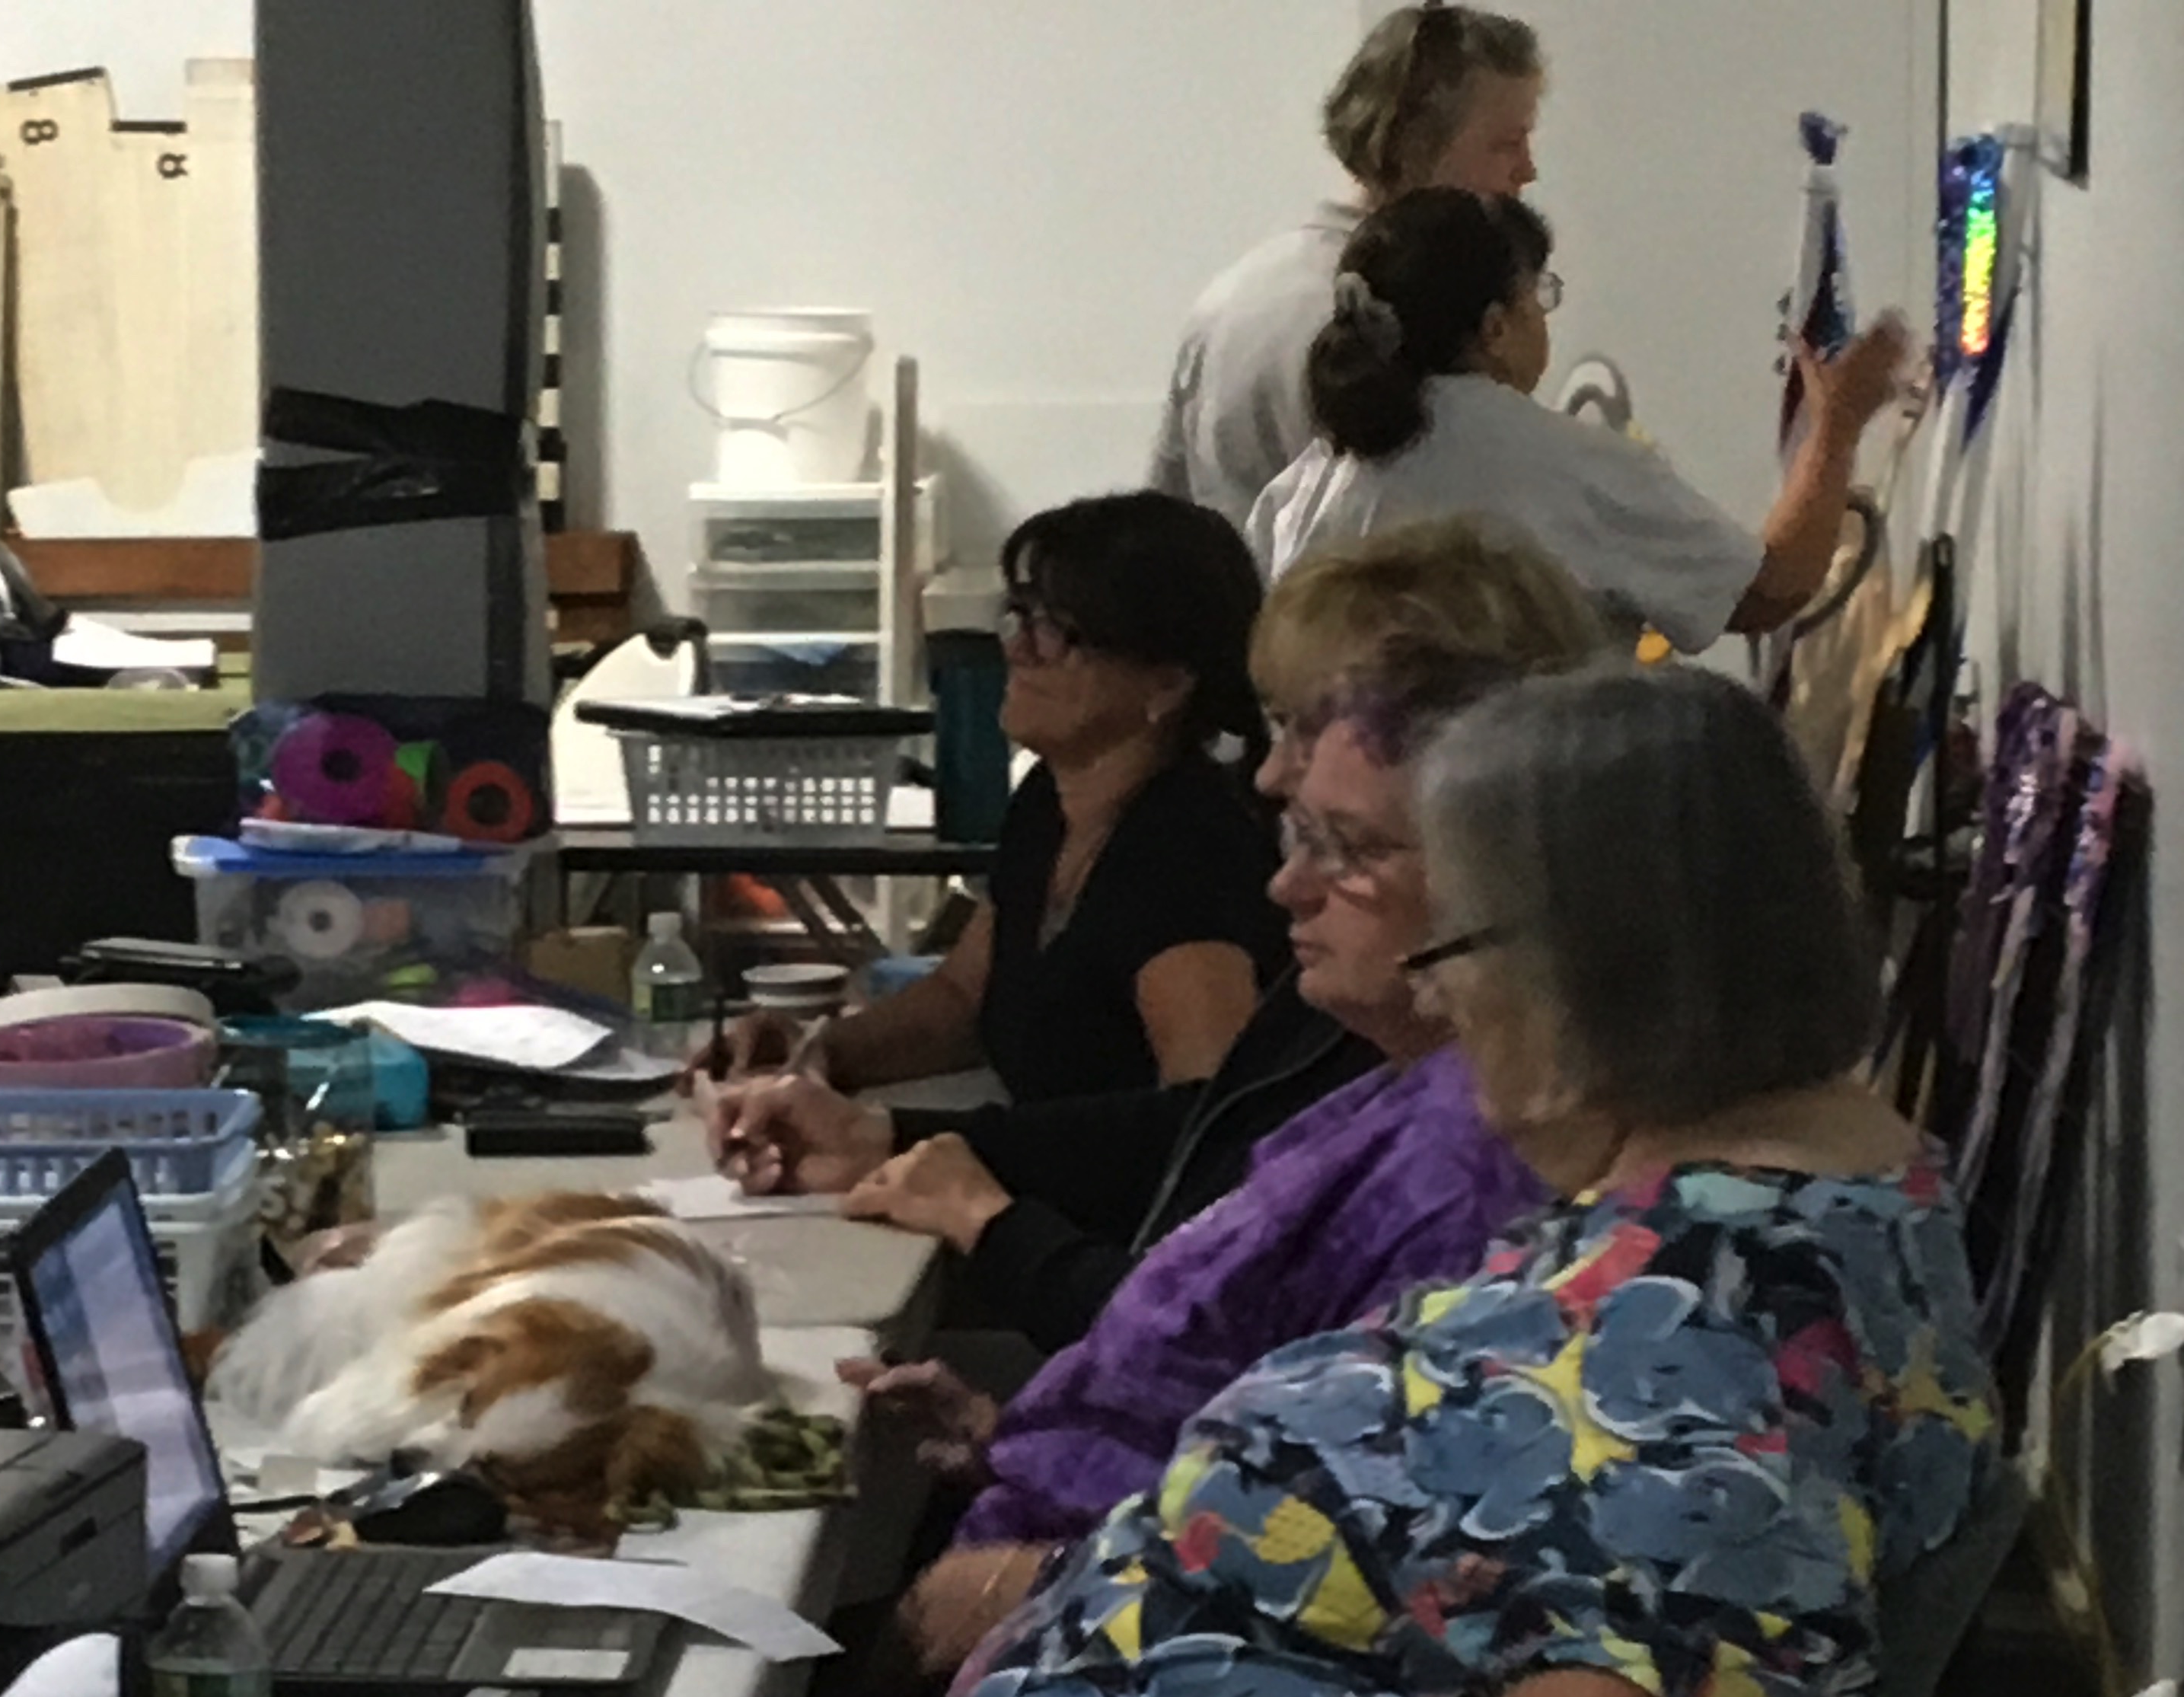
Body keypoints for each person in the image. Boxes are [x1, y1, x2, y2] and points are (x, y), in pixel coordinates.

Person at [526, 665, 2000, 1697]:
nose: (1444, 1012)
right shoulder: (1801, 1195)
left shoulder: (1703, 1300)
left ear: (1595, 963)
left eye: (1455, 958)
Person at [800, 520, 1596, 1697]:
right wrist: (1032, 1432)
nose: (1269, 786)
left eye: (1339, 830)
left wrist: (1057, 1563)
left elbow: (1354, 1566)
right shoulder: (1386, 1069)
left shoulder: (1472, 1165)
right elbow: (1261, 1416)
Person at [701, 491, 1284, 1105]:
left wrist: (901, 1139)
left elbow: (1206, 1113)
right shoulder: (1050, 803)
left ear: (1167, 682)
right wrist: (814, 1052)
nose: (1016, 648)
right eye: (1021, 616)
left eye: (1056, 632)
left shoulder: (1187, 857)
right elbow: (959, 1000)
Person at [1248, 188, 1910, 652]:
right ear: (1495, 328)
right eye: (1538, 294)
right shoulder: (1555, 462)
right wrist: (1836, 428)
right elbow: (1768, 590)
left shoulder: (1305, 488)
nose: (1545, 316)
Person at [1150, 4, 1544, 531]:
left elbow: (1166, 514)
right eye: (1507, 145)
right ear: (1411, 144)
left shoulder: (1230, 298)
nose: (1528, 171)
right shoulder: (1414, 318)